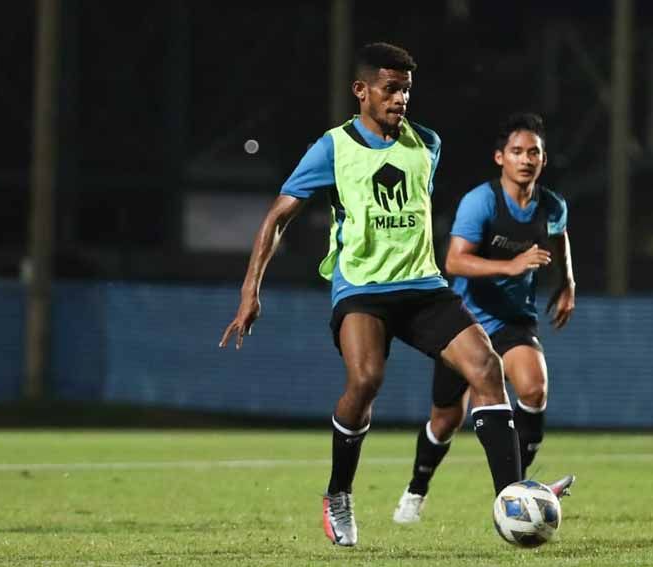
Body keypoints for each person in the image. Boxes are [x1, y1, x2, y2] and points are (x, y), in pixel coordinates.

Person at [220, 43, 526, 547]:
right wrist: (250, 289)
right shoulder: (333, 148)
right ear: (361, 92)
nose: (400, 98)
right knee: (366, 379)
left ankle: (513, 499)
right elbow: (277, 218)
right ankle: (338, 494)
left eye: (406, 89)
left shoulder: (427, 143)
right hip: (362, 289)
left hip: (424, 287)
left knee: (487, 367)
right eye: (390, 88)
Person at [392, 113, 576, 524]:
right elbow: (454, 261)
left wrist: (568, 284)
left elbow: (561, 240)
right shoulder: (481, 201)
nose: (525, 159)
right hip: (467, 326)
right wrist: (511, 266)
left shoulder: (552, 206)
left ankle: (518, 491)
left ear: (543, 161)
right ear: (500, 158)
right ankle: (415, 492)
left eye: (534, 152)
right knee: (445, 420)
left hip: (514, 322)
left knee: (533, 388)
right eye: (517, 152)